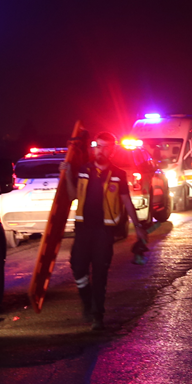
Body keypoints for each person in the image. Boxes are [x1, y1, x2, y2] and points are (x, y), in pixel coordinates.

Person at [68, 131, 149, 330]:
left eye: (105, 147)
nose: (100, 150)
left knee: (100, 274)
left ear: (111, 149)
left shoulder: (118, 174)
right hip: (83, 229)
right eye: (98, 146)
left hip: (104, 233)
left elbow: (126, 201)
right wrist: (67, 174)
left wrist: (138, 227)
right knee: (78, 267)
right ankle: (87, 302)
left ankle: (97, 316)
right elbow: (72, 196)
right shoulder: (84, 170)